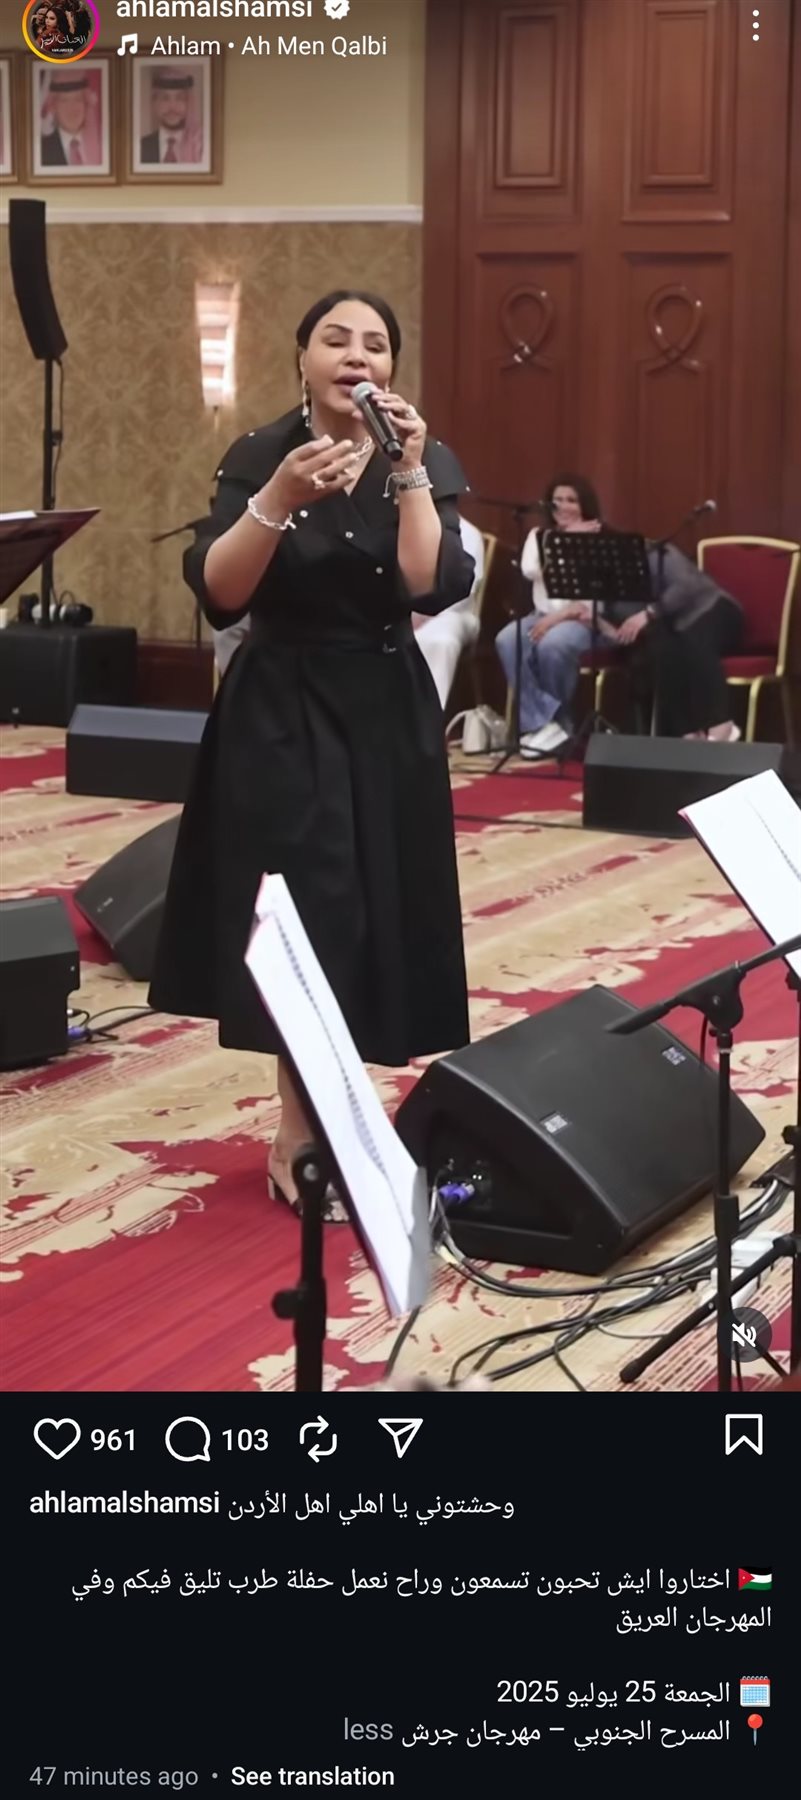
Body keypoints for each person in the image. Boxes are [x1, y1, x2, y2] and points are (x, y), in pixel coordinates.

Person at [149, 290, 474, 1217]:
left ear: (391, 368)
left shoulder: (423, 456)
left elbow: (428, 584)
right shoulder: (261, 455)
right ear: (302, 357)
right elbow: (222, 592)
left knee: (376, 913)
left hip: (385, 709)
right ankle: (300, 1126)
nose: (356, 355)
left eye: (375, 344)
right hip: (283, 712)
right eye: (336, 339)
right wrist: (278, 501)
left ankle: (350, 1108)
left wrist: (409, 473)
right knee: (310, 916)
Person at [212, 514, 484, 706]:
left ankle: (426, 719)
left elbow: (456, 592)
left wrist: (410, 614)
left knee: (439, 639)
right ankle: (240, 703)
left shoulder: (464, 531)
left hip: (436, 615)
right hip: (324, 613)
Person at [494, 474, 614, 758]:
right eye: (557, 500)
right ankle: (546, 723)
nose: (563, 506)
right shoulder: (539, 536)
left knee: (553, 644)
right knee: (508, 639)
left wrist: (554, 620)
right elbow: (530, 570)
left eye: (571, 500)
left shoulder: (599, 538)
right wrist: (564, 540)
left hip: (583, 620)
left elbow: (589, 602)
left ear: (584, 504)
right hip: (541, 615)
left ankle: (558, 724)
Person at [607, 542, 743, 739]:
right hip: (671, 630)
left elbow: (686, 586)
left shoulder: (654, 552)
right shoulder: (603, 581)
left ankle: (720, 723)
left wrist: (650, 612)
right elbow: (621, 621)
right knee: (662, 653)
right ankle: (687, 734)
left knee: (693, 639)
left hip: (711, 607)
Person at [39, 68, 99, 167]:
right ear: (53, 107)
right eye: (64, 101)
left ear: (86, 104)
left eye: (78, 99)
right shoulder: (41, 151)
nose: (72, 108)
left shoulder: (101, 147)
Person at [140, 70, 201, 164]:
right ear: (154, 103)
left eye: (180, 98)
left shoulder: (200, 146)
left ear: (189, 104)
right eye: (165, 98)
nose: (172, 107)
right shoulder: (140, 147)